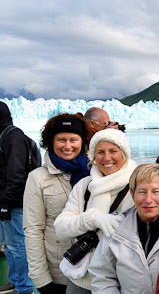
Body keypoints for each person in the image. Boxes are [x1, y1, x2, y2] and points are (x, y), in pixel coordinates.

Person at [54, 129, 137, 293]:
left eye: (113, 151)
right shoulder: (85, 186)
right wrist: (92, 219)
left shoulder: (137, 186)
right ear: (93, 156)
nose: (107, 158)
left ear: (125, 154)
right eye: (100, 152)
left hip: (120, 280)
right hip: (81, 278)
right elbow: (60, 228)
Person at [89, 163, 159, 294]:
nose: (148, 199)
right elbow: (102, 276)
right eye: (142, 192)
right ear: (133, 194)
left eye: (156, 191)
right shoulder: (116, 229)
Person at [23, 114, 92, 294]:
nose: (67, 146)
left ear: (83, 141)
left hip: (95, 271)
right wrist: (41, 279)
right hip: (59, 273)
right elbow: (33, 229)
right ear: (51, 141)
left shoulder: (97, 172)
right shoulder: (38, 178)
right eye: (61, 139)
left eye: (73, 139)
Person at [0, 102, 34, 294]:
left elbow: (16, 173)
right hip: (7, 201)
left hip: (14, 203)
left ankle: (24, 287)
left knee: (17, 245)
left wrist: (6, 204)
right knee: (10, 245)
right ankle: (15, 281)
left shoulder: (12, 136)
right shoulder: (5, 135)